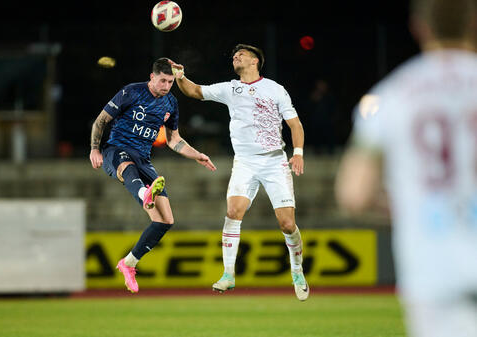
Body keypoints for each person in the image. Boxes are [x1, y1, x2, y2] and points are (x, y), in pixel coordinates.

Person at [334, 0, 477, 336]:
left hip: (433, 272)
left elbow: (354, 195)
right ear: (474, 21)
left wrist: (413, 206)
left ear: (419, 27)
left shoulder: (393, 94)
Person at [169, 44, 309, 301]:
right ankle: (228, 274)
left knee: (287, 224)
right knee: (233, 212)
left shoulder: (275, 89)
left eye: (241, 54)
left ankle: (297, 271)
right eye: (234, 54)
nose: (235, 56)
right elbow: (195, 91)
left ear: (255, 61)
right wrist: (180, 76)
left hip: (274, 161)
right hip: (244, 161)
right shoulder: (230, 88)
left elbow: (295, 124)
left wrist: (297, 153)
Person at [89, 57, 216, 293]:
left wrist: (196, 154)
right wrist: (95, 149)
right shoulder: (131, 92)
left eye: (170, 81)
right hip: (116, 150)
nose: (167, 85)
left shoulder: (171, 103)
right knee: (127, 167)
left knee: (166, 220)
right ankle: (142, 192)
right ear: (152, 77)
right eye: (163, 80)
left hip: (144, 159)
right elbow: (101, 120)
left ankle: (128, 263)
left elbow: (173, 140)